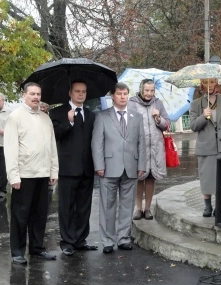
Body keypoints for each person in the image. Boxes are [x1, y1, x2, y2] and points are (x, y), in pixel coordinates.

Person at [4, 82, 59, 264]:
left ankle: (37, 249)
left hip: (43, 174)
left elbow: (51, 147)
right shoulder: (15, 117)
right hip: (24, 175)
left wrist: (54, 170)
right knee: (21, 215)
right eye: (32, 94)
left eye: (38, 94)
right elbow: (10, 149)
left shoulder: (45, 118)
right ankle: (18, 252)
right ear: (24, 95)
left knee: (40, 214)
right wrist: (13, 176)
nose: (36, 97)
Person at [92, 82, 146, 254]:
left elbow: (142, 143)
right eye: (119, 94)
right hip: (108, 168)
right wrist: (99, 165)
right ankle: (107, 240)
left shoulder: (136, 117)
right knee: (107, 205)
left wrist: (142, 165)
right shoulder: (102, 116)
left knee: (127, 205)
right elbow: (97, 143)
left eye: (125, 94)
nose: (123, 97)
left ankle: (124, 238)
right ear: (112, 96)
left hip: (131, 167)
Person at [49, 79, 97, 256]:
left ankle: (80, 240)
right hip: (68, 168)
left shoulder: (91, 115)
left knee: (84, 206)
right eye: (77, 91)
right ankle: (67, 241)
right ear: (70, 92)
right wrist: (68, 123)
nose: (81, 94)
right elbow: (54, 135)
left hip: (87, 168)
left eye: (83, 91)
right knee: (67, 206)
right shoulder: (57, 112)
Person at [190, 78, 221, 217]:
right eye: (206, 82)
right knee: (207, 178)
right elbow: (193, 126)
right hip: (206, 147)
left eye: (212, 82)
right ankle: (207, 206)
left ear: (216, 83)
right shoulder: (196, 104)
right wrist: (203, 116)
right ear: (201, 84)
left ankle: (220, 206)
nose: (209, 85)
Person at [128, 79, 169, 220]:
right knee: (139, 178)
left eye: (152, 90)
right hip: (139, 148)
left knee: (151, 178)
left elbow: (166, 124)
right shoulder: (132, 104)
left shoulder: (158, 103)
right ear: (141, 89)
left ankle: (147, 208)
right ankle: (138, 208)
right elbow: (128, 125)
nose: (149, 93)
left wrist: (158, 118)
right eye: (146, 90)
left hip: (155, 147)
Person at [0, 93, 12, 202]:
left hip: (4, 144)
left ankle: (2, 189)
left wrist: (3, 131)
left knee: (3, 168)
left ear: (3, 101)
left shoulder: (9, 112)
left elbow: (13, 129)